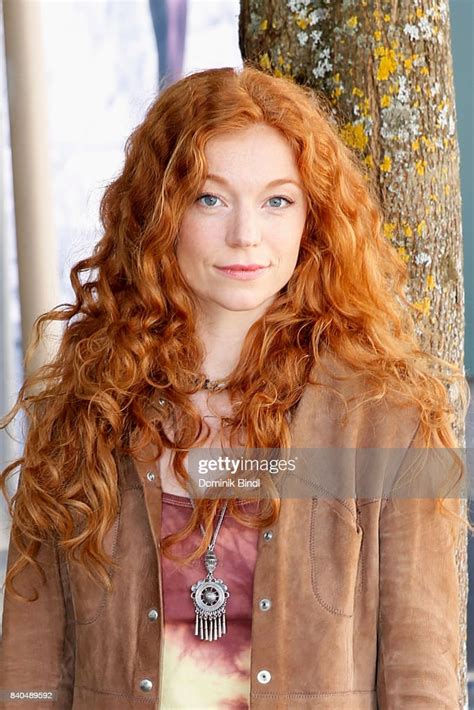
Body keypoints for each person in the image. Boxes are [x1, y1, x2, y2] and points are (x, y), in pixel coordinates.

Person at [0, 63, 471, 709]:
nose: (246, 234)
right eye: (210, 198)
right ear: (158, 212)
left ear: (314, 219)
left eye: (278, 200)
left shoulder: (385, 414)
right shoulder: (85, 404)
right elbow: (30, 657)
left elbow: (423, 673)